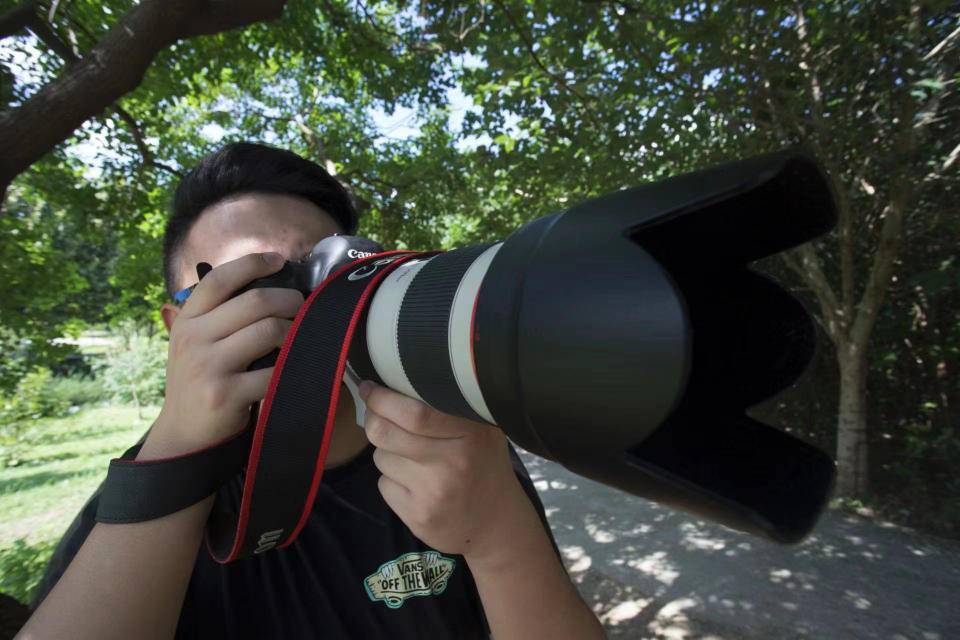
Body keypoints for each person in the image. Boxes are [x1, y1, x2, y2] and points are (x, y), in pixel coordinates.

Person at [20, 143, 605, 639]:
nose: (299, 313)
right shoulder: (145, 495)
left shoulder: (449, 444)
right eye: (248, 286)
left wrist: (500, 535)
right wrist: (177, 455)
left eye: (327, 277)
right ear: (178, 331)